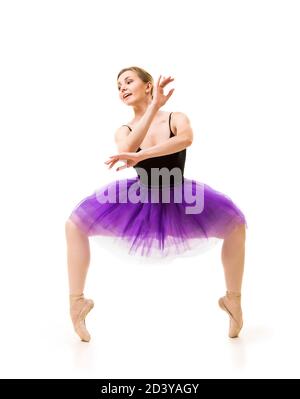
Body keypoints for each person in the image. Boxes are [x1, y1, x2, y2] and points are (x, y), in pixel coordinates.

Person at [65, 66, 247, 342]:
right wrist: (151, 111)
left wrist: (143, 153)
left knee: (236, 225)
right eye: (118, 86)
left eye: (128, 81)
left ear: (148, 86)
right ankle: (76, 303)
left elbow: (185, 139)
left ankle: (233, 299)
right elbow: (127, 151)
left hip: (181, 201)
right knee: (74, 225)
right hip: (138, 202)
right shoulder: (124, 129)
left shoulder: (176, 117)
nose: (122, 88)